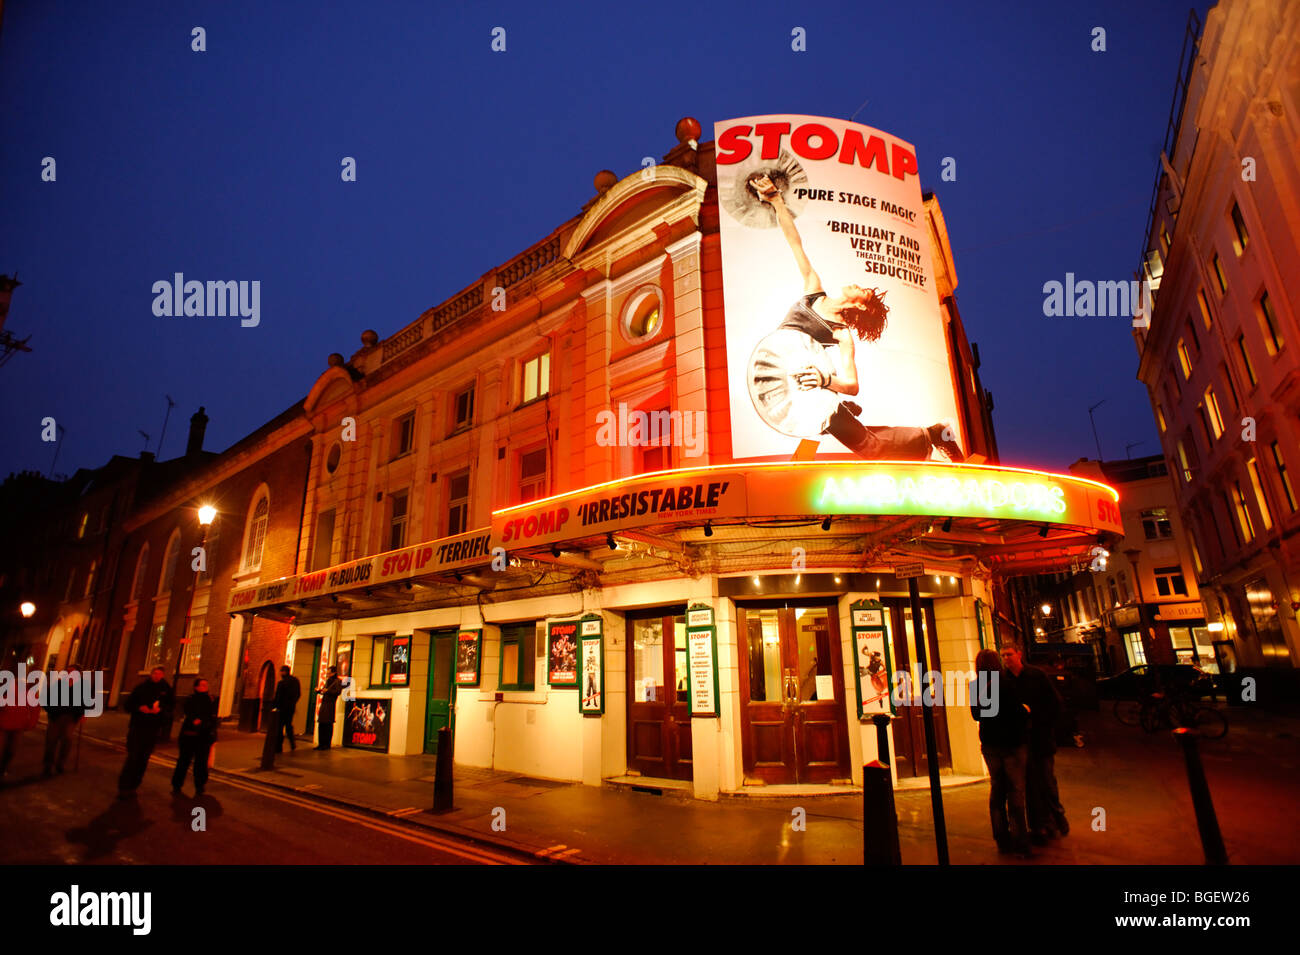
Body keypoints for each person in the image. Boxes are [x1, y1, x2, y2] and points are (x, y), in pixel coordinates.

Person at [749, 174, 963, 462]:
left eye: (864, 292)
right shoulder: (813, 290)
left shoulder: (841, 334)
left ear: (861, 308)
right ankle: (927, 436)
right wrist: (776, 201)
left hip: (809, 388)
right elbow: (795, 243)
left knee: (869, 446)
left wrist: (826, 379)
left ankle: (935, 433)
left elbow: (851, 384)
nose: (858, 285)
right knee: (865, 441)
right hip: (780, 373)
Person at [1001, 646, 1069, 843]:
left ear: (1019, 655)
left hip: (1041, 738)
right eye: (1003, 655)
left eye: (1009, 654)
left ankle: (1057, 817)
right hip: (1020, 741)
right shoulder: (1004, 680)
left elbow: (1054, 704)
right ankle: (1039, 825)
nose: (1006, 658)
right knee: (1030, 784)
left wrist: (1040, 720)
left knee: (1047, 780)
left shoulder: (1036, 675)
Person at [969, 648, 1031, 856]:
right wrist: (1026, 710)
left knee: (997, 791)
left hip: (989, 744)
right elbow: (1017, 712)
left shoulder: (975, 686)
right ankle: (1021, 840)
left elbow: (976, 715)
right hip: (1012, 744)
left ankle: (1001, 838)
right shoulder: (1006, 684)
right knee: (1015, 792)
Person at [118, 666, 173, 798]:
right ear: (151, 674)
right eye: (155, 673)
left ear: (163, 675)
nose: (157, 676)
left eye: (160, 674)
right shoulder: (141, 688)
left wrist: (160, 710)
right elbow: (128, 705)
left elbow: (170, 708)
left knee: (143, 759)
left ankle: (134, 786)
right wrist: (139, 708)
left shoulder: (167, 690)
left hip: (153, 729)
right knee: (133, 757)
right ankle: (124, 786)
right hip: (137, 726)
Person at [171, 677, 217, 795]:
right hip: (189, 735)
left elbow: (212, 718)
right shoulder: (191, 699)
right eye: (202, 685)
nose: (204, 687)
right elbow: (188, 712)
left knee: (201, 762)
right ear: (196, 687)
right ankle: (177, 784)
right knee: (184, 761)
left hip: (204, 736)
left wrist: (213, 735)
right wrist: (194, 720)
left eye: (206, 685)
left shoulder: (210, 700)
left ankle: (200, 785)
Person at [43, 664, 89, 776]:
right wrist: (51, 710)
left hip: (71, 718)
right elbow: (46, 699)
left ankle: (61, 763)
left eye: (71, 671)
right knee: (51, 741)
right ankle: (48, 765)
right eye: (67, 671)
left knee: (67, 740)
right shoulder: (57, 684)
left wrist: (83, 714)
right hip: (56, 716)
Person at [0, 667, 41, 783]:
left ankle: (3, 768)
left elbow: (34, 708)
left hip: (18, 725)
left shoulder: (28, 692)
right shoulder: (4, 689)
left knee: (11, 750)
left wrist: (31, 723)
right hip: (3, 724)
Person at [272, 665, 301, 752]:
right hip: (290, 708)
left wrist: (275, 707)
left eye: (281, 671)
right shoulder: (295, 681)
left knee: (279, 727)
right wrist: (292, 703)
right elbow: (298, 694)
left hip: (281, 708)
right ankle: (292, 743)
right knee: (288, 725)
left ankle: (278, 747)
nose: (280, 673)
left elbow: (278, 697)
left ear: (284, 672)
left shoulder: (281, 683)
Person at [316, 666, 342, 750]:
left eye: (329, 673)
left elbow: (337, 692)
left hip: (330, 704)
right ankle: (321, 743)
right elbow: (324, 689)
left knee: (328, 724)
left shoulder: (337, 681)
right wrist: (319, 691)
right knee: (322, 724)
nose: (327, 674)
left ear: (333, 673)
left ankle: (327, 744)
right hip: (324, 703)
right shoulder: (328, 681)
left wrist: (328, 691)